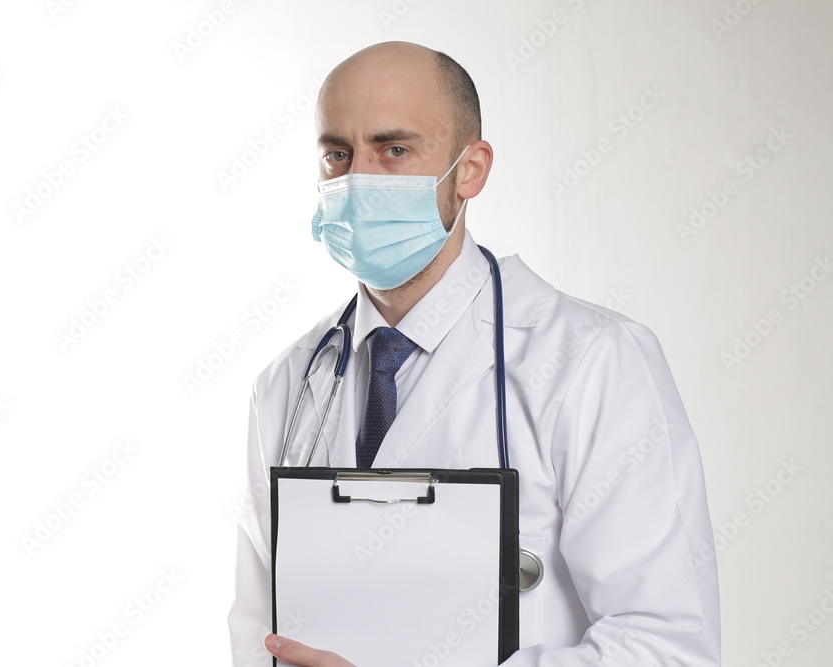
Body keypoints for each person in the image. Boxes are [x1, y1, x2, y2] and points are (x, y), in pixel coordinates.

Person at [228, 41, 721, 666]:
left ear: (471, 170)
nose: (359, 180)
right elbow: (258, 634)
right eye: (338, 154)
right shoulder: (287, 385)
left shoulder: (593, 362)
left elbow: (668, 648)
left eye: (395, 149)